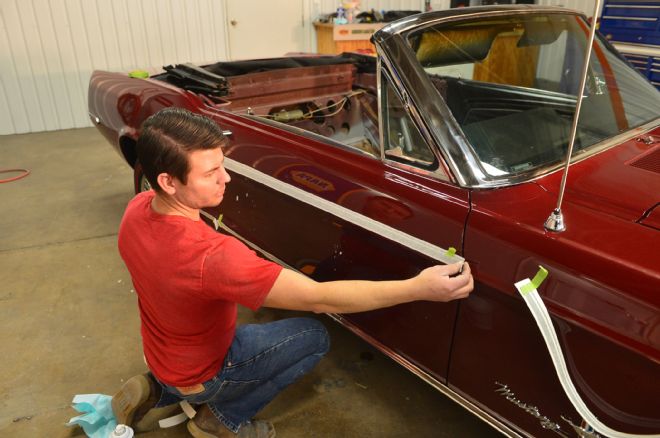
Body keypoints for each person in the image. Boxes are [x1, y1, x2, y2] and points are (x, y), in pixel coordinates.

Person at [112, 108, 473, 438]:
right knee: (313, 336)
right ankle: (219, 419)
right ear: (169, 182)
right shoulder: (213, 257)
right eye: (210, 173)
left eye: (222, 164)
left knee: (214, 333)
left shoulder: (138, 208)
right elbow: (319, 298)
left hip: (162, 351)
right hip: (206, 370)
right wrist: (418, 287)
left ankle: (160, 386)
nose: (227, 179)